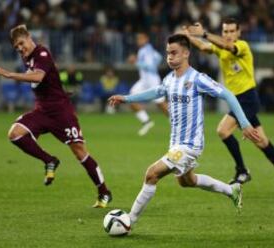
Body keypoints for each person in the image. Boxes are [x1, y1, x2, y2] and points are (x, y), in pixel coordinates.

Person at [108, 34, 260, 227]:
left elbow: (228, 95)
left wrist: (244, 123)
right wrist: (127, 98)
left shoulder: (198, 79)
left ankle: (129, 220)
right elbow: (156, 92)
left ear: (186, 53)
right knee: (187, 181)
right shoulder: (170, 79)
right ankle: (232, 190)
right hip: (176, 143)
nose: (169, 57)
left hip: (190, 144)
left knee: (152, 174)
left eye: (174, 53)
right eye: (167, 53)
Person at [0, 24, 112, 208]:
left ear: (29, 37)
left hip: (61, 112)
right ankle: (50, 160)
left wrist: (9, 74)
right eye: (16, 47)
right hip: (42, 111)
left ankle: (104, 192)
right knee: (15, 134)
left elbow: (38, 77)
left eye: (21, 43)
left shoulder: (42, 53)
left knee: (80, 152)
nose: (20, 48)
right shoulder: (27, 58)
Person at [183, 18, 274, 195]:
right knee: (261, 141)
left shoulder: (242, 46)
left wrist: (205, 34)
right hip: (237, 100)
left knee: (223, 130)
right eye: (225, 31)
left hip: (247, 98)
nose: (228, 35)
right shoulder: (220, 48)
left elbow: (228, 47)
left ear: (238, 33)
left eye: (231, 31)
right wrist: (189, 36)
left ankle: (242, 171)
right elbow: (205, 47)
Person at [127, 31, 168, 136]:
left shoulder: (145, 51)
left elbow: (150, 67)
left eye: (140, 38)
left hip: (152, 80)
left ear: (146, 39)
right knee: (130, 99)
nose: (138, 41)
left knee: (160, 104)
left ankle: (178, 122)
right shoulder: (148, 50)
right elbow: (158, 57)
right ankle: (147, 122)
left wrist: (135, 62)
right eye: (138, 39)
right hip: (144, 80)